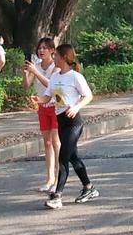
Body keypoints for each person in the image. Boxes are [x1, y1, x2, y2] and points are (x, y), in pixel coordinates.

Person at [36, 44, 98, 209]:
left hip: (73, 123)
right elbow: (48, 97)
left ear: (64, 57)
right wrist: (37, 101)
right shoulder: (55, 77)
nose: (53, 58)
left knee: (62, 158)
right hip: (61, 121)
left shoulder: (75, 77)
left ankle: (57, 196)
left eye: (55, 55)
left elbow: (88, 96)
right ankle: (89, 187)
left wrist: (76, 107)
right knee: (72, 157)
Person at [22, 37, 60, 194]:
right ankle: (49, 179)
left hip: (56, 107)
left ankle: (58, 179)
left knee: (56, 143)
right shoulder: (36, 66)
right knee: (47, 143)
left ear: (52, 51)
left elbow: (50, 85)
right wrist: (26, 73)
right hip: (42, 107)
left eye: (45, 48)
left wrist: (35, 72)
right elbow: (26, 85)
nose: (41, 50)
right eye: (40, 48)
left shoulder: (56, 68)